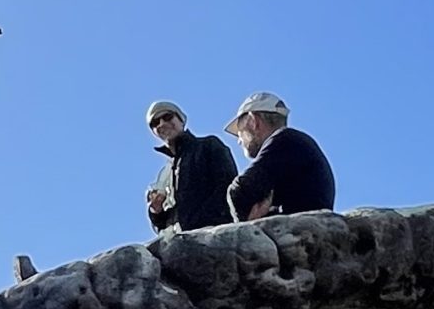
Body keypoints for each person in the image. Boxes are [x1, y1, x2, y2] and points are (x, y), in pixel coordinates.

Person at [225, 91, 336, 220]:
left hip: (296, 229)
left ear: (253, 121)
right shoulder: (293, 148)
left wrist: (246, 221)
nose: (239, 141)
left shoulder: (286, 140)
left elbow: (239, 193)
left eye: (240, 132)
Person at [142, 99, 239, 233]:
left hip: (214, 234)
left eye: (167, 117)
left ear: (181, 120)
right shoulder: (166, 173)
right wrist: (156, 211)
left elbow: (228, 185)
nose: (162, 124)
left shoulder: (208, 145)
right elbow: (165, 224)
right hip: (183, 241)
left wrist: (204, 223)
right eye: (155, 123)